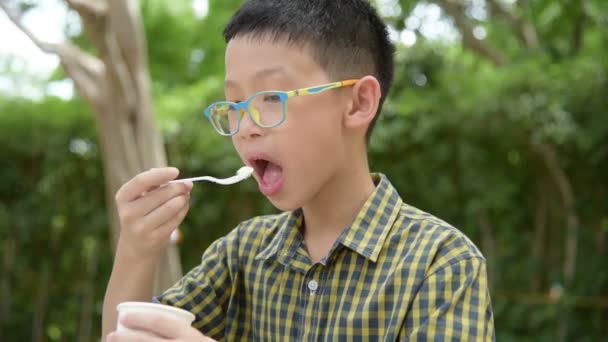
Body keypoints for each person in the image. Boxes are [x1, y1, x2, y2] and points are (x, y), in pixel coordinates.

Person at [103, 0, 495, 340]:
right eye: (234, 105)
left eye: (271, 97)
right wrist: (136, 250)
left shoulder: (441, 262)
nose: (246, 127)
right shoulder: (242, 254)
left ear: (358, 103)